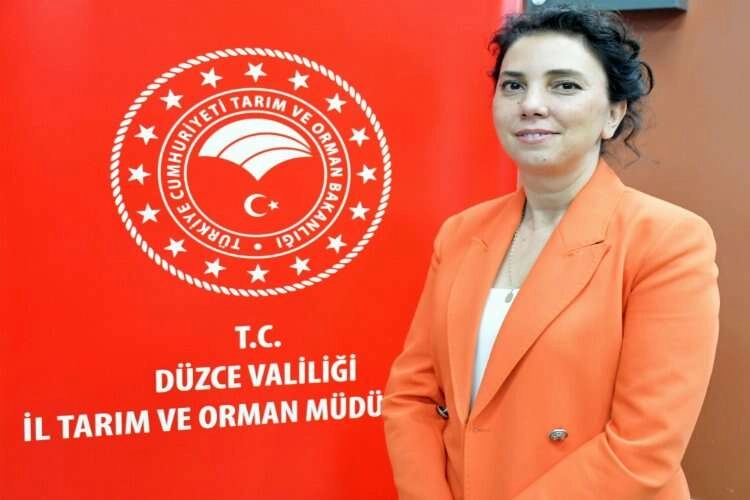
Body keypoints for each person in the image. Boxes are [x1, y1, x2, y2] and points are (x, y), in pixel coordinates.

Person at [382, 6, 720, 500]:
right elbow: (411, 397)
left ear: (613, 114)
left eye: (564, 85)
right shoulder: (460, 234)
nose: (531, 104)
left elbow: (643, 446)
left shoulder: (668, 240)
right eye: (513, 86)